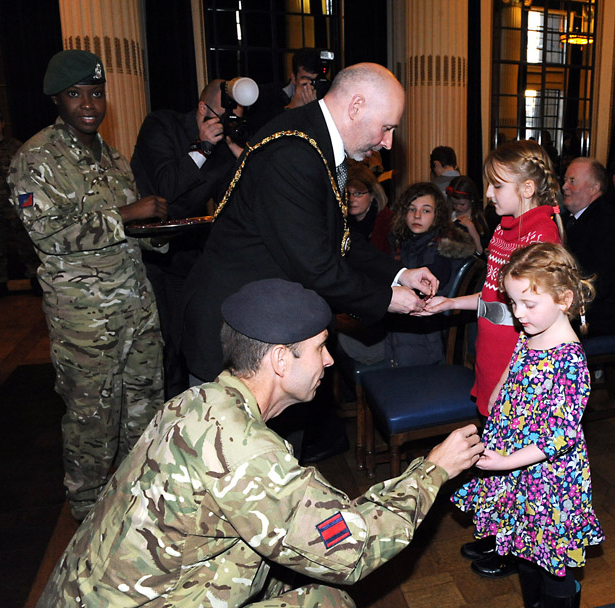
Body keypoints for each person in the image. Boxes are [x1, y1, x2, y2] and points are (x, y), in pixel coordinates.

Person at [21, 278, 484, 608]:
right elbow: (353, 548)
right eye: (320, 347)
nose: (327, 361)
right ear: (281, 360)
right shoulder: (246, 453)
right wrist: (433, 470)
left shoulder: (196, 401)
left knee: (280, 574)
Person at [182, 62, 436, 385]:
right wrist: (386, 298)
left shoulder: (314, 139)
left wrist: (399, 274)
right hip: (232, 336)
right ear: (356, 107)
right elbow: (315, 265)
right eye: (386, 128)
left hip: (267, 325)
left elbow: (336, 236)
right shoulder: (294, 152)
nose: (387, 142)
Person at [8, 50, 168, 520]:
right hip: (85, 323)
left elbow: (131, 233)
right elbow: (51, 235)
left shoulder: (113, 157)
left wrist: (164, 230)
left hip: (136, 309)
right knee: (92, 423)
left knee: (143, 409)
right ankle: (88, 517)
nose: (88, 104)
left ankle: (136, 509)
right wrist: (130, 214)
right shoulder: (35, 159)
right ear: (56, 99)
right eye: (75, 94)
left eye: (96, 93)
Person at [423, 139, 562, 578]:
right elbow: (492, 300)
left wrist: (509, 367)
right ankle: (501, 533)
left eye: (497, 184)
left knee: (514, 456)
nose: (488, 193)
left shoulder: (541, 235)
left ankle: (514, 544)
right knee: (497, 445)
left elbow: (531, 315)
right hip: (491, 355)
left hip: (516, 362)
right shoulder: (506, 227)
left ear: (526, 189)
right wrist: (451, 304)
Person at [452, 243, 603, 608]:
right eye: (514, 302)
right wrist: (496, 407)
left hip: (549, 478)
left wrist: (504, 462)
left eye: (528, 304)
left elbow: (561, 434)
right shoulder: (530, 333)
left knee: (552, 558)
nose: (518, 313)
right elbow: (509, 377)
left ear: (564, 299)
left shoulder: (569, 360)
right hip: (517, 466)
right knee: (524, 548)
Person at [131, 79, 244, 398]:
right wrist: (202, 147)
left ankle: (184, 409)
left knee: (185, 335)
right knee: (157, 338)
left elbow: (229, 207)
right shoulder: (161, 125)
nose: (226, 125)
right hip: (144, 249)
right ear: (202, 109)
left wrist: (242, 160)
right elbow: (165, 188)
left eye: (233, 118)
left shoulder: (224, 151)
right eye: (222, 116)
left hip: (186, 250)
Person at [384, 182, 475, 366]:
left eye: (426, 211)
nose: (417, 216)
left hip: (425, 334)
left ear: (437, 215)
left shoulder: (440, 249)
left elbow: (422, 293)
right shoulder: (405, 241)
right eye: (411, 209)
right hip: (401, 325)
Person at [562, 157, 615, 336]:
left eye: (572, 181)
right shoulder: (570, 219)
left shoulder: (610, 225)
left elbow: (597, 283)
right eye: (565, 180)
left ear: (594, 188)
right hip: (582, 305)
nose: (565, 186)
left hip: (606, 316)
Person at [0, 107, 35, 299]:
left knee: (27, 246)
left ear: (2, 123)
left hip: (15, 208)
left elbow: (26, 177)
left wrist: (26, 205)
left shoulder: (16, 147)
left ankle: (35, 279)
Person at [248, 48, 328, 133]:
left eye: (315, 81)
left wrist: (315, 111)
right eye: (306, 81)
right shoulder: (269, 95)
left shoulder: (326, 95)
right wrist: (292, 107)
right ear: (294, 78)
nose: (310, 87)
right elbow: (259, 130)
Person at [345, 161, 391, 253]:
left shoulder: (389, 222)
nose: (351, 199)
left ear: (372, 195)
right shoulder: (341, 222)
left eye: (358, 193)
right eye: (347, 193)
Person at [447, 174, 490, 255]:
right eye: (454, 204)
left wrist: (471, 227)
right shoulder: (450, 216)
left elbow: (480, 251)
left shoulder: (479, 222)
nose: (458, 207)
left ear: (472, 200)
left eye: (462, 204)